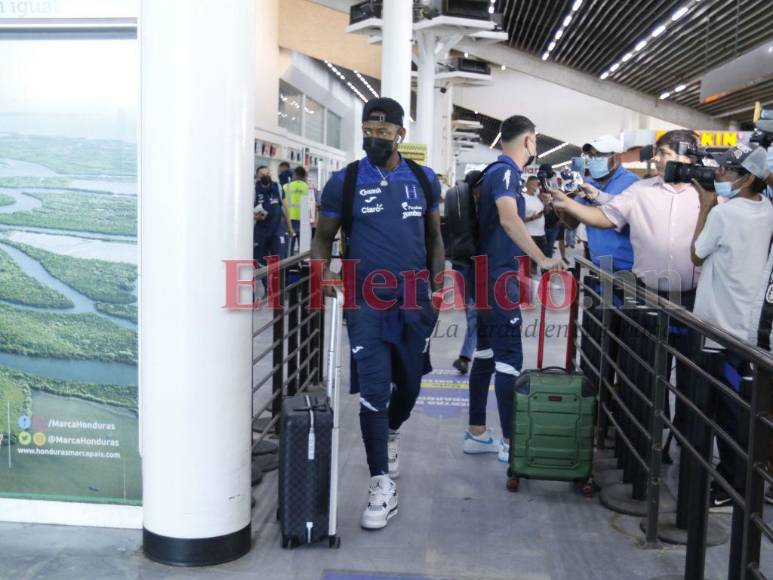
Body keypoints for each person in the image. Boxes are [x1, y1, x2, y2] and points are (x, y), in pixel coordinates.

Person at [311, 97, 444, 530]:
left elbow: (435, 238)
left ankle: (392, 430)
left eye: (384, 132)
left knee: (409, 383)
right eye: (369, 130)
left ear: (400, 134)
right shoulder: (344, 181)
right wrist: (323, 274)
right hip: (364, 300)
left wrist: (438, 286)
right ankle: (380, 484)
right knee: (373, 388)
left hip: (415, 300)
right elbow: (323, 238)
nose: (375, 138)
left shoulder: (424, 180)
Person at [549, 129, 703, 443]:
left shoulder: (707, 196)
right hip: (644, 296)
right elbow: (604, 217)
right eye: (657, 153)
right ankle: (641, 446)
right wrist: (567, 202)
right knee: (643, 376)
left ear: (687, 157)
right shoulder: (641, 191)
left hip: (692, 302)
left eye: (663, 153)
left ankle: (682, 447)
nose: (656, 159)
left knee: (690, 382)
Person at [462, 115, 564, 462]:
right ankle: (509, 443)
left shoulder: (494, 172)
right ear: (530, 141)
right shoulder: (506, 172)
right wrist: (544, 258)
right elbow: (508, 219)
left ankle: (476, 433)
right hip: (496, 279)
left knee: (488, 355)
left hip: (486, 276)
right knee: (509, 360)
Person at [690, 144, 773, 508]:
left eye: (728, 171)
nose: (720, 176)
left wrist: (706, 204)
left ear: (748, 178)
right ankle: (743, 478)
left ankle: (732, 486)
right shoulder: (768, 210)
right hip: (749, 325)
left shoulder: (725, 215)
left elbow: (696, 252)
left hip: (718, 325)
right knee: (742, 408)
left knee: (727, 411)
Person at [563, 135, 640, 273]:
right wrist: (564, 201)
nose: (593, 160)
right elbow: (571, 224)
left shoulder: (632, 184)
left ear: (616, 158)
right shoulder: (588, 183)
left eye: (599, 155)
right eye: (590, 156)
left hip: (627, 270)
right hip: (597, 266)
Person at [452, 170, 483, 376]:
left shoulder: (487, 207)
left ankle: (465, 356)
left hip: (474, 265)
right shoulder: (462, 206)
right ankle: (475, 351)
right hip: (464, 264)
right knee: (471, 312)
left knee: (473, 312)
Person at [254, 165, 293, 280]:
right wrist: (255, 216)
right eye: (262, 175)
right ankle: (267, 288)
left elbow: (285, 208)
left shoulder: (278, 188)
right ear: (257, 177)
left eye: (268, 174)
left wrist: (289, 227)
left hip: (277, 230)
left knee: (279, 260)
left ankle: (278, 288)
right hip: (261, 231)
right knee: (261, 262)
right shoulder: (253, 190)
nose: (266, 176)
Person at [283, 166, 310, 254]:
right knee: (304, 246)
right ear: (304, 176)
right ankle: (304, 264)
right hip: (304, 221)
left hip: (289, 220)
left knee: (289, 245)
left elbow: (282, 204)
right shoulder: (308, 188)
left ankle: (288, 264)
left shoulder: (286, 186)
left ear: (294, 175)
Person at [523, 175, 546, 274]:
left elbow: (545, 212)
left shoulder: (537, 197)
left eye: (537, 185)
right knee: (530, 264)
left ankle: (543, 282)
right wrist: (532, 218)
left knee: (543, 260)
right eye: (534, 184)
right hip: (530, 235)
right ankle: (529, 285)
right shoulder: (522, 198)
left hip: (541, 234)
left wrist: (546, 204)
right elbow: (517, 218)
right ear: (528, 184)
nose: (536, 187)